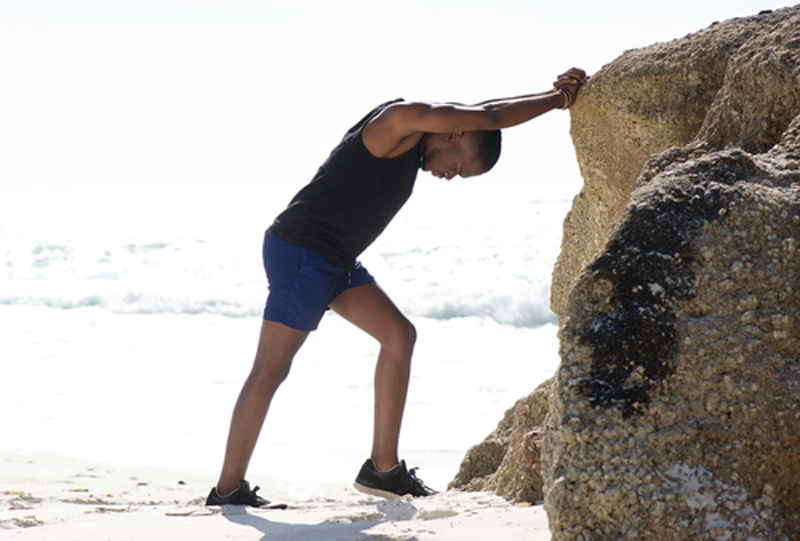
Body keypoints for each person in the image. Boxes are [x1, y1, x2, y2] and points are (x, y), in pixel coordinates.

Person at [206, 68, 588, 506]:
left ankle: (382, 470)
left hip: (335, 259)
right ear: (453, 134)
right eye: (458, 166)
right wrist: (558, 99)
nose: (449, 176)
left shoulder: (416, 147)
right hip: (302, 252)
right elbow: (491, 115)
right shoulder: (398, 122)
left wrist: (549, 94)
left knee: (399, 335)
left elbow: (485, 113)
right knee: (271, 369)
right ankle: (228, 489)